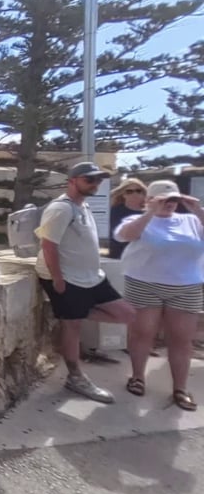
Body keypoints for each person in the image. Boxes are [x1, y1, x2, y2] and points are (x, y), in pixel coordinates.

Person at [36, 162, 135, 403]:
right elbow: (49, 245)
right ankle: (75, 377)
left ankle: (73, 313)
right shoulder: (60, 208)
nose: (95, 184)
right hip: (68, 278)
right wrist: (58, 279)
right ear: (73, 181)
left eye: (98, 180)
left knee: (127, 315)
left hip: (92, 277)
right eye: (89, 179)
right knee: (73, 328)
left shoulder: (83, 206)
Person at [115, 180, 204, 411]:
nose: (169, 203)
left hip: (186, 286)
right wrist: (150, 212)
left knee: (181, 339)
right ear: (150, 200)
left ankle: (180, 388)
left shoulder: (191, 220)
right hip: (144, 283)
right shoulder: (137, 220)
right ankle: (137, 377)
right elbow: (124, 235)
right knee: (142, 334)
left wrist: (198, 210)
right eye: (164, 199)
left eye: (173, 199)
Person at [108, 177, 147, 259]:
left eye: (138, 191)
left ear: (143, 193)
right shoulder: (116, 211)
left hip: (144, 254)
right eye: (129, 191)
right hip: (120, 254)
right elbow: (115, 234)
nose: (134, 194)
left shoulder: (149, 211)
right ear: (123, 194)